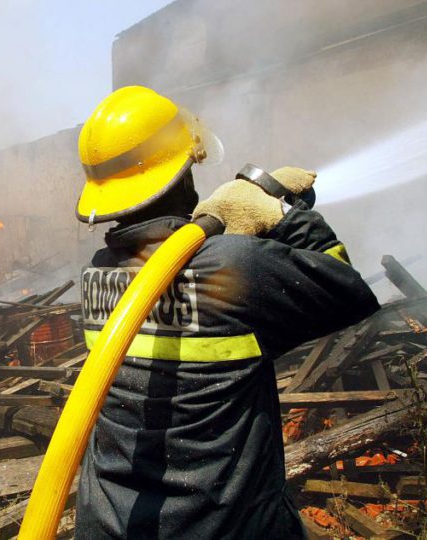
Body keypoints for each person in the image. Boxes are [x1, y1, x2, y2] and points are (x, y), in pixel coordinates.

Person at [73, 86, 380, 539]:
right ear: (181, 175)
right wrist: (281, 213)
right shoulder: (236, 266)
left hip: (112, 522)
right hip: (222, 526)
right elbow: (346, 288)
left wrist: (210, 230)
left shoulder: (96, 276)